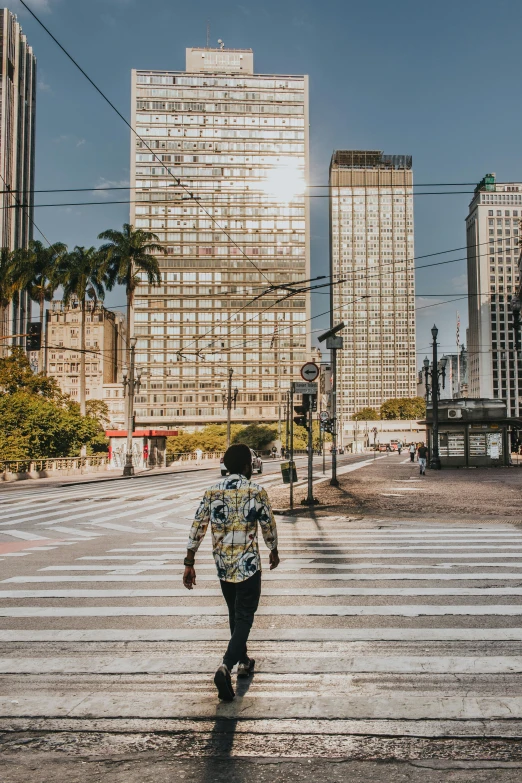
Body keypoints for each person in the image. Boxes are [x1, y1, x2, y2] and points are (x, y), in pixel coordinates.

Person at [183, 443, 279, 702]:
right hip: (248, 565)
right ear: (249, 466)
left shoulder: (212, 492)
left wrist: (189, 561)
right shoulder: (256, 491)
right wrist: (273, 549)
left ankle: (244, 660)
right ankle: (226, 666)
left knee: (235, 615)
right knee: (245, 616)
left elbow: (198, 526)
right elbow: (268, 524)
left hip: (223, 566)